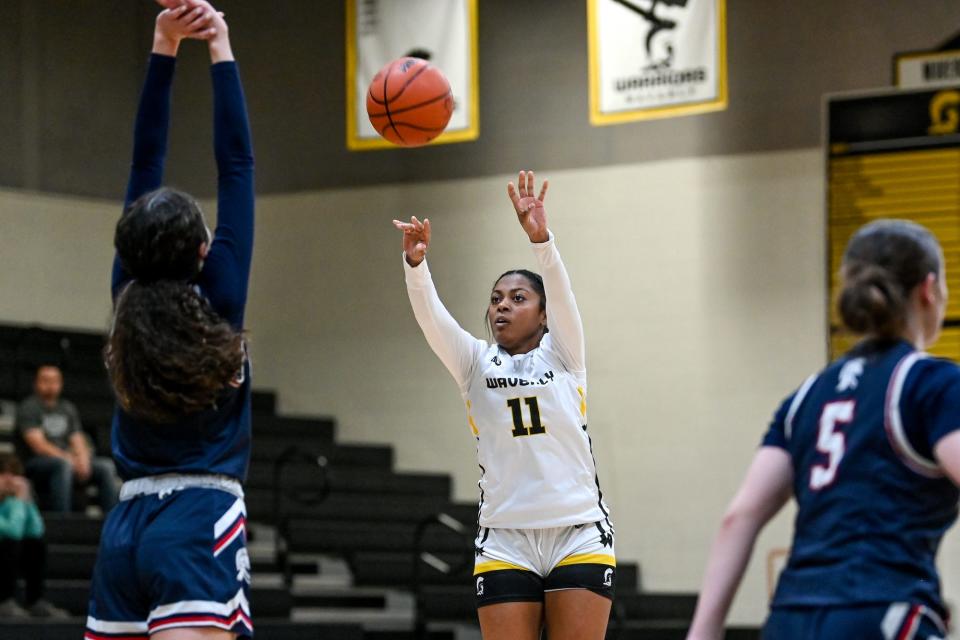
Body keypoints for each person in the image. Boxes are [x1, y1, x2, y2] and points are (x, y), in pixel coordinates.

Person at [686, 219, 960, 640]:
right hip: (882, 612)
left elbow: (739, 517)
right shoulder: (932, 383)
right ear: (930, 290)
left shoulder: (806, 396)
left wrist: (702, 633)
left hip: (788, 619)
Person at [85, 1, 255, 638]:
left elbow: (142, 162)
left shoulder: (125, 296)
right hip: (199, 516)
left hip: (124, 525)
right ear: (205, 251)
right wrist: (219, 47)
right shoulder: (223, 297)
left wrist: (163, 45)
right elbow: (236, 165)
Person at [392, 171, 615, 640]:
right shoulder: (474, 361)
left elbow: (564, 292)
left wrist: (541, 241)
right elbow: (432, 320)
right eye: (496, 299)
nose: (502, 307)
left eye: (518, 298)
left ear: (543, 312)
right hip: (506, 538)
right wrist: (416, 265)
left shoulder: (564, 353)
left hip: (576, 532)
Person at [16, 364, 118, 513]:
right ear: (36, 383)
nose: (50, 385)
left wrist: (83, 460)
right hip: (36, 462)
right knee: (63, 466)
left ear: (61, 383)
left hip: (66, 459)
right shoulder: (29, 407)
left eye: (54, 380)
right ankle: (64, 520)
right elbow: (39, 445)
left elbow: (77, 438)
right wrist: (68, 459)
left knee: (106, 466)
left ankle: (112, 521)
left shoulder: (67, 408)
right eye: (45, 380)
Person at [0, 452, 70, 619]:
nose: (10, 480)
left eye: (14, 474)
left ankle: (35, 601)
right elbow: (12, 532)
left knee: (35, 545)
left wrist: (27, 500)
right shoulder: (14, 503)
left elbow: (36, 530)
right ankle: (3, 601)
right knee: (9, 544)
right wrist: (19, 501)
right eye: (3, 474)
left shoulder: (12, 503)